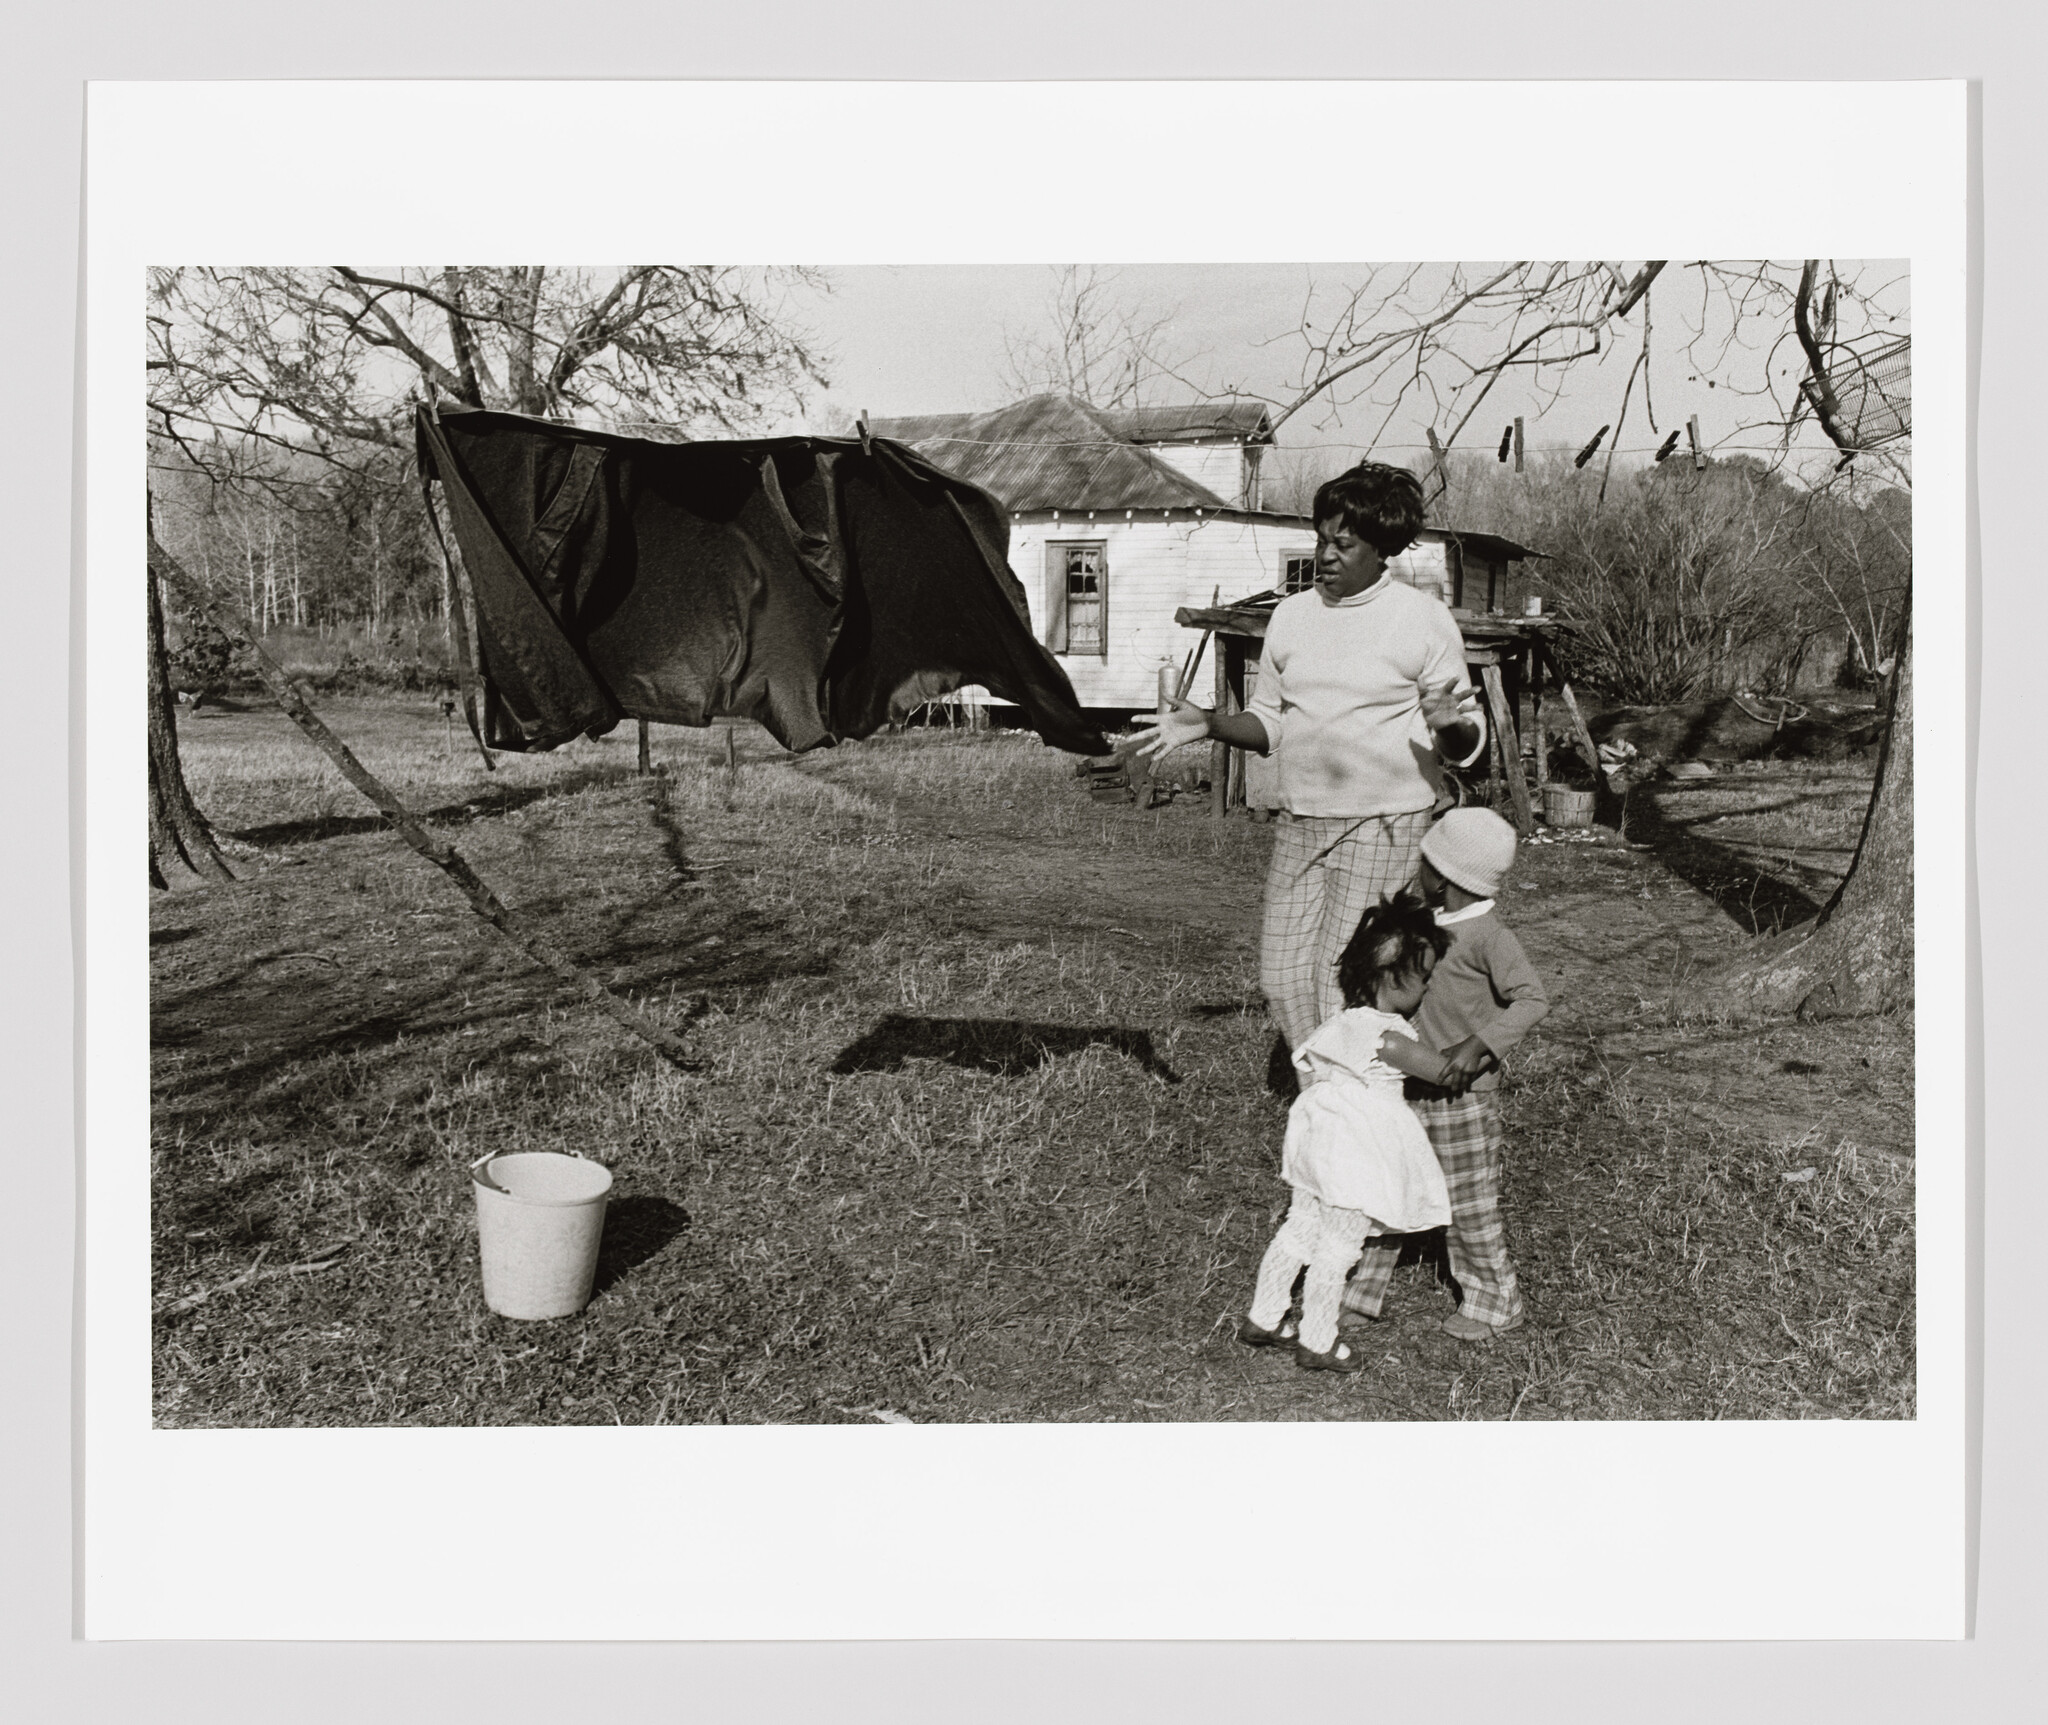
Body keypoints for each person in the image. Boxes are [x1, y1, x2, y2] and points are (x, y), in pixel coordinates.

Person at [1132, 462, 1486, 1052]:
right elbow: (1269, 723)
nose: (1325, 554)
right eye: (1321, 539)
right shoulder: (1291, 618)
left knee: (1341, 980)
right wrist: (1210, 723)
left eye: (1343, 544)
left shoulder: (1421, 619)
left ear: (1382, 550)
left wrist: (1448, 725)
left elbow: (1468, 749)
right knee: (1283, 978)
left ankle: (1345, 1103)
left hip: (1386, 822)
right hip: (1301, 821)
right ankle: (1333, 1086)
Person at [1340, 808, 1549, 1341]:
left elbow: (1532, 1000)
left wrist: (1479, 1044)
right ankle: (1360, 1294)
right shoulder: (1421, 925)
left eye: (1426, 861)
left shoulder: (1489, 936)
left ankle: (1495, 1303)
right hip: (1404, 1087)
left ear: (1446, 874)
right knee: (1384, 1189)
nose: (1418, 868)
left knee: (1468, 1205)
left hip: (1463, 1099)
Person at [1237, 895, 1460, 1374]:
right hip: (1355, 1151)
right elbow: (1444, 1074)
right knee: (1339, 1246)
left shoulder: (1339, 1023)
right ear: (1390, 978)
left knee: (1300, 1227)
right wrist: (1469, 1055)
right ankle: (1318, 1339)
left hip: (1316, 1140)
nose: (1425, 989)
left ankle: (1265, 1315)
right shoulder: (1391, 1037)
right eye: (1422, 978)